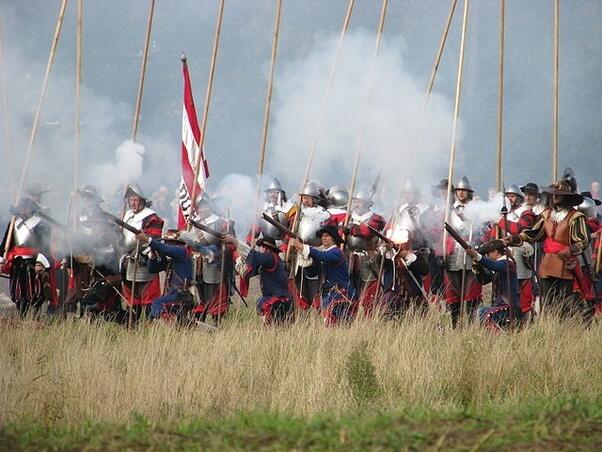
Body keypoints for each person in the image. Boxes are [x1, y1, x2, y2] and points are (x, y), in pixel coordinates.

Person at [507, 180, 591, 321]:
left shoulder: (575, 217)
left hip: (566, 264)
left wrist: (571, 250)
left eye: (558, 195)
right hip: (547, 264)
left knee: (566, 302)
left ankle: (567, 329)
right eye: (553, 195)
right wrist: (513, 239)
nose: (554, 197)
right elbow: (534, 234)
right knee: (547, 301)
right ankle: (548, 328)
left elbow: (584, 239)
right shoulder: (546, 215)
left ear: (566, 197)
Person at [1, 197, 56, 317]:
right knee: (17, 291)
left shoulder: (41, 224)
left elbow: (44, 245)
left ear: (30, 209)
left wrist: (40, 262)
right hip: (17, 262)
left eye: (24, 208)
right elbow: (6, 243)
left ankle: (35, 316)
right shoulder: (13, 223)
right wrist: (1, 260)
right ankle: (22, 315)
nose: (22, 211)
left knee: (36, 291)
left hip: (34, 261)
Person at [289, 225, 355, 326]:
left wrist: (302, 246)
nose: (324, 238)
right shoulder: (325, 254)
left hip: (339, 293)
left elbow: (322, 256)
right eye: (322, 236)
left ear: (334, 238)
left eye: (327, 236)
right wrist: (305, 256)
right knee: (329, 324)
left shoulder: (337, 252)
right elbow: (313, 273)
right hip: (327, 294)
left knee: (337, 323)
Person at [490, 185, 537, 317]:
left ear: (519, 198)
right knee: (502, 290)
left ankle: (524, 322)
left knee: (523, 294)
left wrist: (500, 221)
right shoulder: (502, 214)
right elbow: (494, 238)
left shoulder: (526, 212)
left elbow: (519, 229)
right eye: (508, 196)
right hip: (504, 257)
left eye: (512, 196)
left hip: (521, 257)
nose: (509, 199)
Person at [120, 184, 164, 320]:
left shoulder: (151, 217)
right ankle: (133, 327)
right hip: (128, 261)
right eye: (131, 200)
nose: (132, 203)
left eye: (135, 199)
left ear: (142, 201)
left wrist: (143, 238)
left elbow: (155, 238)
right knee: (132, 299)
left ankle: (150, 330)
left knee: (149, 298)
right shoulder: (127, 215)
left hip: (144, 261)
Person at [188, 197, 236, 323]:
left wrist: (217, 255)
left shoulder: (220, 223)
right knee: (199, 295)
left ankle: (216, 324)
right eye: (200, 207)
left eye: (205, 206)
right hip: (196, 265)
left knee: (215, 297)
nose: (202, 209)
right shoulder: (193, 223)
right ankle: (199, 323)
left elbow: (230, 246)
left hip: (215, 266)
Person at [444, 176, 483, 327]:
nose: (461, 193)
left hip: (470, 250)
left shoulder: (476, 209)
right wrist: (440, 253)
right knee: (454, 292)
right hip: (453, 252)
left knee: (471, 291)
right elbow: (440, 232)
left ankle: (472, 325)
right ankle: (456, 325)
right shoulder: (448, 210)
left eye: (464, 190)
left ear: (469, 192)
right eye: (459, 190)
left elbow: (484, 231)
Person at [136, 229, 194, 322]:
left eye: (168, 242)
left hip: (182, 295)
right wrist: (153, 255)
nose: (166, 244)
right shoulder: (171, 259)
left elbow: (166, 249)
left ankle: (161, 325)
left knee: (157, 303)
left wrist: (148, 240)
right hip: (173, 294)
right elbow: (152, 269)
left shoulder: (182, 251)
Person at [344, 188, 386, 315]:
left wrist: (351, 228)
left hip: (368, 258)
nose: (357, 204)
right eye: (355, 201)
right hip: (351, 258)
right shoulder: (349, 217)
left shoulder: (376, 218)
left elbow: (368, 231)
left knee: (369, 293)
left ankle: (369, 319)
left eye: (360, 201)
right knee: (351, 291)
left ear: (368, 203)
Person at [290, 181, 330, 309]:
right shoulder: (298, 213)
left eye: (308, 198)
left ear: (315, 199)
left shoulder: (323, 215)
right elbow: (291, 230)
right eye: (303, 198)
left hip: (315, 253)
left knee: (315, 286)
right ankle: (303, 311)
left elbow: (328, 236)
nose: (305, 201)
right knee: (300, 285)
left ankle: (318, 312)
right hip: (299, 254)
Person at [466, 239, 521, 330]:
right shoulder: (501, 264)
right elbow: (484, 280)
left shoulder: (507, 263)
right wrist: (479, 269)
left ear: (495, 252)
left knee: (483, 312)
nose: (487, 256)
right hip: (500, 304)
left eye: (488, 253)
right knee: (483, 312)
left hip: (507, 306)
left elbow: (493, 265)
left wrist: (477, 256)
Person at [238, 237, 293, 325]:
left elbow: (253, 255)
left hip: (279, 299)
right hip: (280, 300)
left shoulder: (270, 257)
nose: (261, 249)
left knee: (263, 305)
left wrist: (236, 242)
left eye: (262, 246)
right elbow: (250, 271)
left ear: (267, 248)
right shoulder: (271, 259)